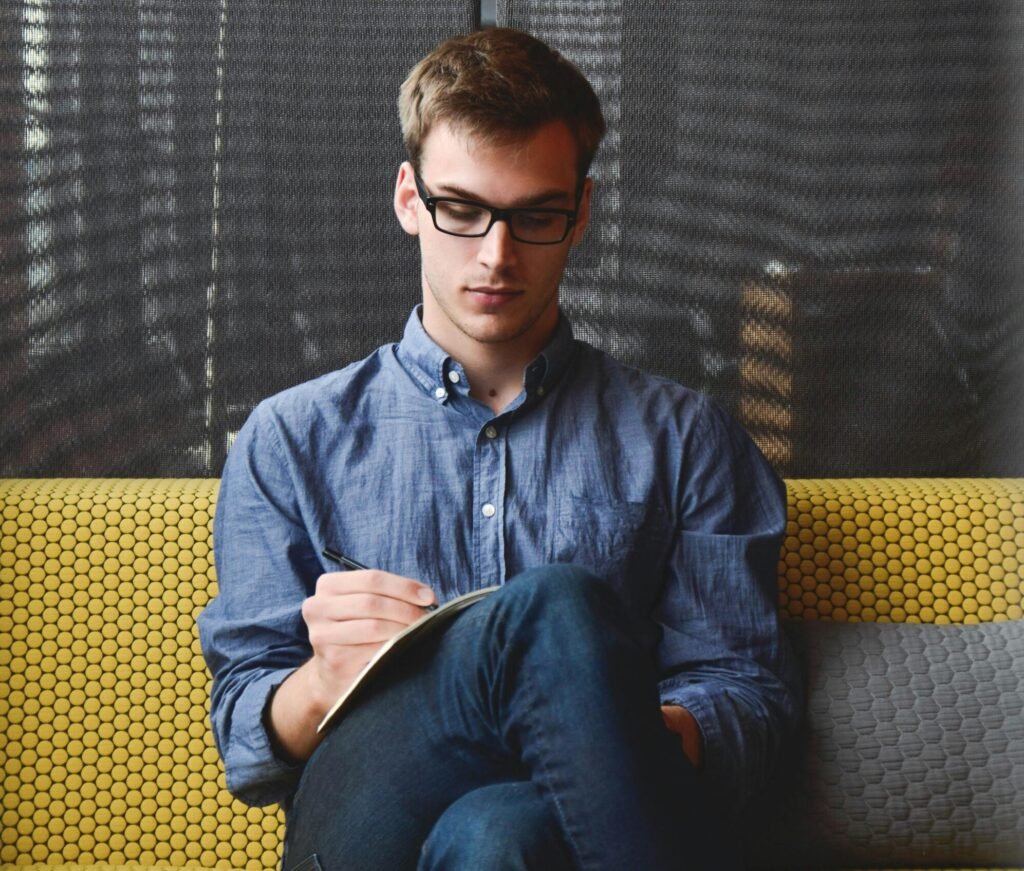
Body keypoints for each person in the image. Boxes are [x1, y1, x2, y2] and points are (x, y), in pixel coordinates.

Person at [199, 27, 800, 871]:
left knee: (500, 834)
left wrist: (593, 722)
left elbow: (751, 709)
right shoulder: (292, 436)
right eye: (462, 209)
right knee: (553, 612)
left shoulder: (687, 437)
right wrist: (320, 681)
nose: (496, 254)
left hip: (553, 832)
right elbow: (245, 739)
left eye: (535, 216)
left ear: (581, 213)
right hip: (360, 828)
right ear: (409, 199)